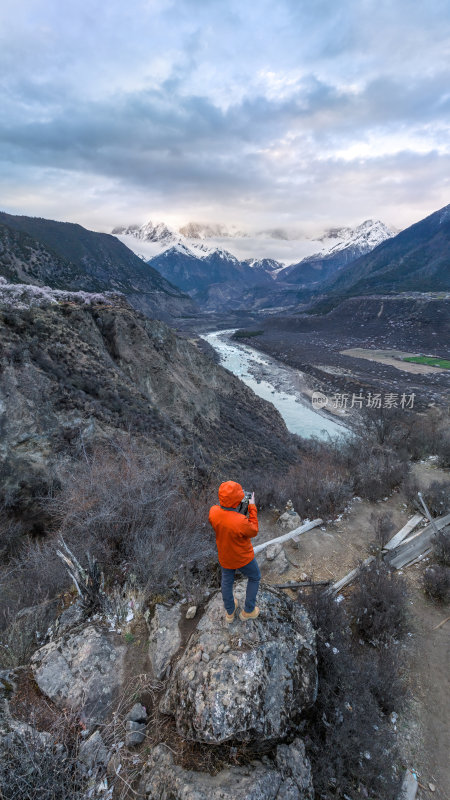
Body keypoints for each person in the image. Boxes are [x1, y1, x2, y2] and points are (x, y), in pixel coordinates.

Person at [209, 480, 261, 622]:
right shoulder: (240, 521)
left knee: (226, 582)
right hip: (243, 558)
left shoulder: (213, 512)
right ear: (237, 499)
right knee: (255, 577)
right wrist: (252, 506)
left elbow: (224, 519)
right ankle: (248, 611)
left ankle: (230, 612)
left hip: (225, 556)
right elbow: (254, 530)